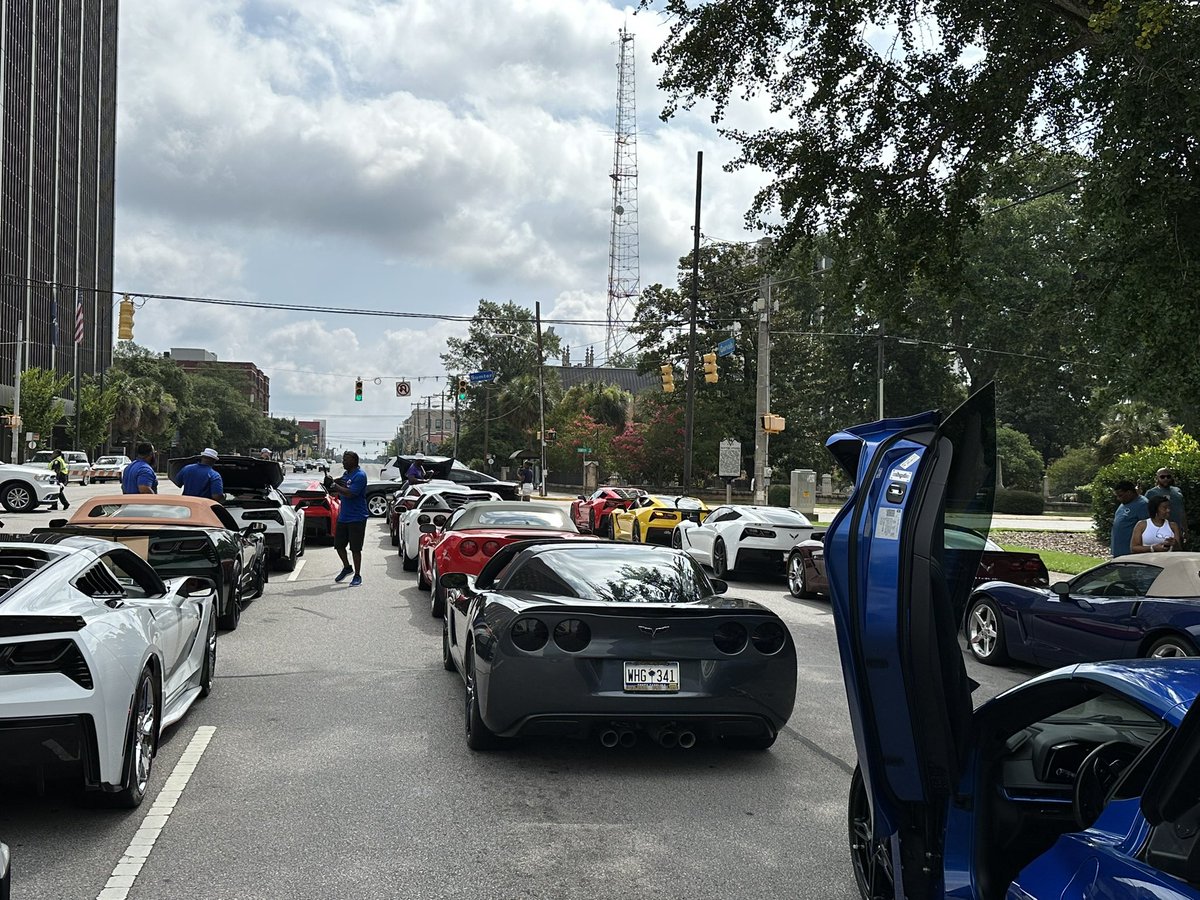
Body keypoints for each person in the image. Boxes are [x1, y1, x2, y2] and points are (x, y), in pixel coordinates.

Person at [326, 450, 368, 587]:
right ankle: (347, 567)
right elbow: (337, 489)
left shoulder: (360, 475)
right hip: (343, 516)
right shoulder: (346, 475)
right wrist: (329, 484)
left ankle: (357, 575)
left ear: (354, 461)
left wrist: (335, 485)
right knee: (338, 545)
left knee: (355, 548)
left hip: (357, 517)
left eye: (346, 459)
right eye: (343, 459)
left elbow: (351, 493)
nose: (343, 461)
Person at [1145, 467, 1187, 548]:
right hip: (1160, 532)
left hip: (1177, 530)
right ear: (1157, 478)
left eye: (1168, 476)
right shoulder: (1151, 493)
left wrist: (1185, 530)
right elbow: (1148, 513)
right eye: (1162, 477)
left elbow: (1182, 511)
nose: (1165, 479)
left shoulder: (1177, 491)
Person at [1110, 481, 1149, 556]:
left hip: (1130, 553)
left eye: (1120, 495)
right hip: (1118, 551)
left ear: (1129, 492)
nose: (1118, 498)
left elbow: (1146, 528)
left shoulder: (1143, 504)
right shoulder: (1125, 503)